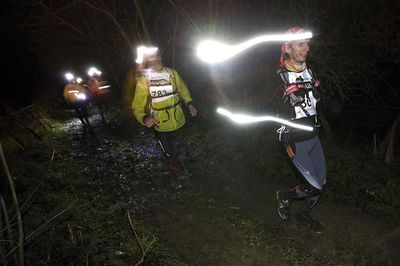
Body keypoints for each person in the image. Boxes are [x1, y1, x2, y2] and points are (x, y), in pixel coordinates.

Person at [275, 26, 326, 232]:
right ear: (288, 48)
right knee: (314, 185)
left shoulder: (309, 70)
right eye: (301, 44)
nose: (307, 48)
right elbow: (268, 105)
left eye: (307, 44)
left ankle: (303, 214)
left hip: (313, 135)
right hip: (294, 139)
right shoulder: (279, 76)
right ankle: (284, 197)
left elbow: (316, 99)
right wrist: (285, 96)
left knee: (321, 183)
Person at [132, 46, 197, 179]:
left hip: (179, 119)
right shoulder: (144, 80)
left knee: (182, 144)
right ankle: (177, 172)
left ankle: (188, 164)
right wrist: (144, 118)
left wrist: (189, 104)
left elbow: (183, 89)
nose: (155, 59)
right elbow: (136, 105)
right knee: (170, 151)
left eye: (157, 55)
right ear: (147, 61)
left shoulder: (172, 73)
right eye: (151, 57)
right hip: (161, 124)